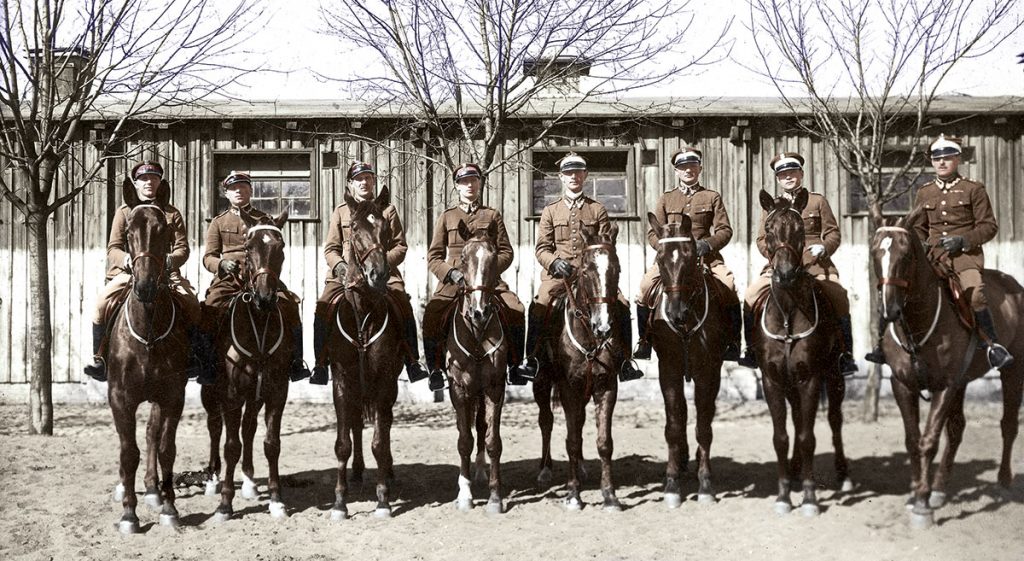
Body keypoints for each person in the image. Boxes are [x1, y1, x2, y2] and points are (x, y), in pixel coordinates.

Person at [867, 135, 1012, 368]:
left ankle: (992, 345)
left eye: (947, 158)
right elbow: (919, 227)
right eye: (937, 158)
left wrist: (963, 240)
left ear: (958, 159)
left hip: (964, 257)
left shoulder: (973, 189)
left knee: (974, 294)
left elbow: (989, 226)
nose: (942, 163)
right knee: (897, 286)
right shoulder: (925, 192)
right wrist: (923, 244)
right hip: (933, 257)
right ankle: (882, 345)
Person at [513, 152, 643, 382]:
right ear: (561, 177)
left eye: (577, 172)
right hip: (559, 276)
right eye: (568, 173)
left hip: (592, 277)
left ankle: (625, 361)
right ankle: (531, 359)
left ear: (585, 175)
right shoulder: (550, 210)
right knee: (539, 305)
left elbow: (606, 246)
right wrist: (554, 262)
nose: (573, 176)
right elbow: (541, 248)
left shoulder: (597, 209)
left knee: (622, 304)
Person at [83, 161, 206, 382]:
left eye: (154, 178)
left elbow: (182, 248)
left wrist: (170, 261)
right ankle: (101, 359)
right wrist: (126, 260)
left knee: (192, 303)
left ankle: (194, 357)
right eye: (144, 179)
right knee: (101, 304)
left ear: (160, 183)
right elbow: (113, 247)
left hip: (165, 272)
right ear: (136, 184)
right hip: (129, 272)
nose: (149, 182)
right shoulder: (124, 212)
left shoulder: (171, 213)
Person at [310, 161, 428, 384]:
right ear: (350, 184)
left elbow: (399, 246)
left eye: (368, 178)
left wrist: (382, 266)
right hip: (346, 274)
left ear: (374, 181)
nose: (364, 182)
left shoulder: (387, 210)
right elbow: (331, 248)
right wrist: (341, 268)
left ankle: (413, 361)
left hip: (382, 273)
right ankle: (320, 363)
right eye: (359, 179)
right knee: (324, 304)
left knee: (402, 302)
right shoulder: (341, 211)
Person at [740, 152, 858, 374]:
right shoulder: (771, 205)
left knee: (838, 295)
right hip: (780, 264)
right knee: (751, 294)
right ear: (778, 178)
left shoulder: (817, 201)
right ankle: (751, 350)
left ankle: (845, 354)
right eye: (783, 174)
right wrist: (775, 257)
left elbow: (832, 233)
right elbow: (761, 239)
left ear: (801, 174)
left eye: (792, 172)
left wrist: (824, 247)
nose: (788, 177)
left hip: (815, 264)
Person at [421, 163, 527, 391]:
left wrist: (487, 271)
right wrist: (451, 272)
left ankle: (516, 365)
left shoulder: (491, 215)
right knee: (432, 312)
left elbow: (506, 251)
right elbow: (434, 256)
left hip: (488, 282)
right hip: (455, 281)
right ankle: (436, 369)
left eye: (473, 181)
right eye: (464, 182)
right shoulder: (447, 217)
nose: (469, 185)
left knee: (516, 308)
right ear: (457, 186)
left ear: (479, 184)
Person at [633, 147, 741, 361]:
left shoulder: (711, 197)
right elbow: (653, 232)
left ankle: (734, 342)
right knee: (645, 288)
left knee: (728, 285)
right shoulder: (667, 198)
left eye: (692, 166)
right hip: (672, 261)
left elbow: (725, 230)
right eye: (683, 167)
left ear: (699, 168)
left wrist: (707, 245)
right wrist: (665, 249)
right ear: (676, 171)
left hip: (705, 259)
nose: (688, 170)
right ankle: (644, 342)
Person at [201, 171, 308, 383]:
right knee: (210, 305)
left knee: (290, 304)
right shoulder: (219, 222)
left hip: (260, 278)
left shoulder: (264, 219)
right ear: (226, 193)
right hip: (230, 280)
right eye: (234, 188)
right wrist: (221, 264)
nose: (239, 191)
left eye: (243, 187)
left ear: (251, 191)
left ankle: (296, 362)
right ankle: (208, 362)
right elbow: (208, 257)